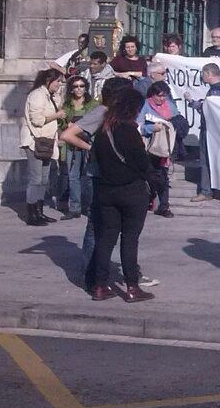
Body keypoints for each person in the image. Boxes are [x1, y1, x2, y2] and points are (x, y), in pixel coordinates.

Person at [87, 87, 158, 303]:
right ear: (132, 109)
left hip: (106, 191)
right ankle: (132, 288)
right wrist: (155, 187)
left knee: (105, 239)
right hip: (131, 191)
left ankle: (99, 285)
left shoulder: (103, 130)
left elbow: (96, 158)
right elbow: (142, 163)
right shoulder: (128, 130)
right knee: (129, 240)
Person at [21, 67, 64, 226]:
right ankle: (32, 214)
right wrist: (56, 115)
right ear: (49, 80)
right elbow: (37, 120)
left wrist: (57, 96)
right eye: (58, 81)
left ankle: (39, 212)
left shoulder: (49, 96)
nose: (59, 84)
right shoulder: (37, 95)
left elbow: (58, 106)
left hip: (46, 142)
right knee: (35, 179)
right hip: (35, 141)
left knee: (43, 179)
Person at [189, 64, 220, 204]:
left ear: (209, 74)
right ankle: (206, 191)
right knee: (205, 161)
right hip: (207, 130)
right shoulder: (212, 90)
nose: (202, 77)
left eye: (203, 74)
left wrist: (195, 104)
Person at [136, 80, 176, 218]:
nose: (161, 99)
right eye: (159, 96)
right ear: (152, 95)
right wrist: (151, 128)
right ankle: (149, 199)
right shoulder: (145, 105)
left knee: (163, 177)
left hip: (165, 148)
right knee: (149, 175)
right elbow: (138, 126)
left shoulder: (170, 106)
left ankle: (164, 206)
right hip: (149, 147)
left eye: (164, 96)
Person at [59, 76, 97, 219]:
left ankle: (88, 206)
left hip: (88, 143)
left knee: (87, 177)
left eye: (81, 86)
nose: (79, 89)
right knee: (73, 176)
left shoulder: (93, 104)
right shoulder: (67, 105)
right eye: (75, 86)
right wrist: (66, 126)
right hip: (71, 145)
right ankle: (74, 207)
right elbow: (61, 122)